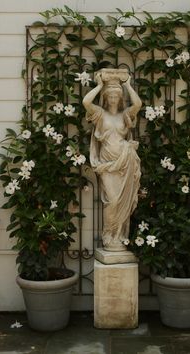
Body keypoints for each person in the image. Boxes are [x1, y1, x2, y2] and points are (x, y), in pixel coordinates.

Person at [83, 69, 141, 251]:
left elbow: (138, 104)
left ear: (120, 98)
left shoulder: (125, 115)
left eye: (116, 96)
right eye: (110, 96)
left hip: (125, 162)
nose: (113, 99)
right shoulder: (100, 114)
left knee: (124, 201)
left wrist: (128, 85)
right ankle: (108, 235)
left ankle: (119, 236)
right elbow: (86, 102)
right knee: (113, 201)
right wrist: (100, 85)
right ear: (106, 98)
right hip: (107, 165)